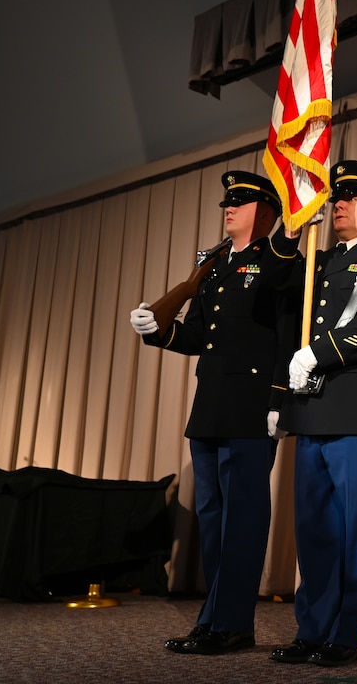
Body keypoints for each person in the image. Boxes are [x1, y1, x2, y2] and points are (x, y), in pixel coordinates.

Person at [130, 171, 301, 655]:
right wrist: (156, 330)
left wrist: (278, 397)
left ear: (265, 213)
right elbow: (197, 336)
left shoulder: (280, 261)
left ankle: (233, 624)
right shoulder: (213, 264)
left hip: (250, 409)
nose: (229, 206)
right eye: (228, 201)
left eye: (242, 201)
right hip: (209, 408)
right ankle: (212, 619)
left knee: (242, 520)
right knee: (213, 519)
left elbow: (288, 334)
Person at [268, 161, 357, 667]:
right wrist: (289, 237)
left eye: (351, 197)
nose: (339, 205)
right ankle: (312, 629)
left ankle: (347, 634)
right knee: (314, 531)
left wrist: (322, 353)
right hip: (312, 412)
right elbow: (279, 296)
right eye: (337, 197)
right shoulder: (318, 261)